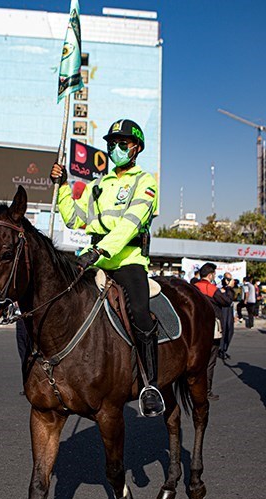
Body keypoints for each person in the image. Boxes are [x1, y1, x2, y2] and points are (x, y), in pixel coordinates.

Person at [51, 118, 164, 417]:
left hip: (127, 260)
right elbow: (74, 219)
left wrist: (100, 250)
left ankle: (150, 384)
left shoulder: (145, 181)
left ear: (136, 148)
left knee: (140, 312)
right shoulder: (97, 185)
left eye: (122, 144)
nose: (115, 148)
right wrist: (63, 188)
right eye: (111, 144)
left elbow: (131, 223)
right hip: (95, 257)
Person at [194, 263, 232, 400]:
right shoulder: (210, 288)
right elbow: (227, 301)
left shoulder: (193, 287)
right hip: (212, 329)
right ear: (210, 275)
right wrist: (228, 288)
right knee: (210, 362)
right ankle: (206, 390)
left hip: (194, 328)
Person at [219, 272, 236, 361]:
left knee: (230, 330)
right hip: (223, 312)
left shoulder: (231, 290)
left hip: (230, 312)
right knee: (224, 330)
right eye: (228, 279)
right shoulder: (221, 290)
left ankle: (225, 348)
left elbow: (232, 301)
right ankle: (221, 350)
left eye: (230, 279)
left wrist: (235, 315)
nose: (230, 281)